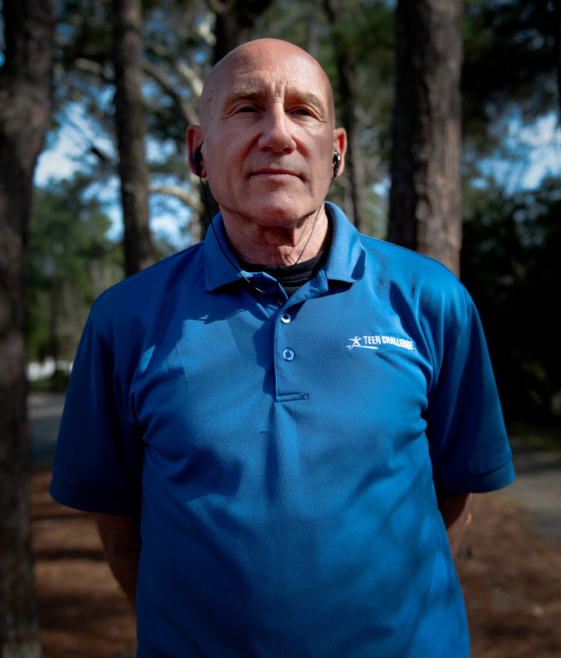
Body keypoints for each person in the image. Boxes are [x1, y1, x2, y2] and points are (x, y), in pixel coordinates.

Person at [50, 38, 514, 657]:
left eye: (303, 111)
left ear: (337, 152)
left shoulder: (432, 300)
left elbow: (452, 494)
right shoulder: (124, 320)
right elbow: (118, 522)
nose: (277, 134)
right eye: (245, 108)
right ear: (198, 152)